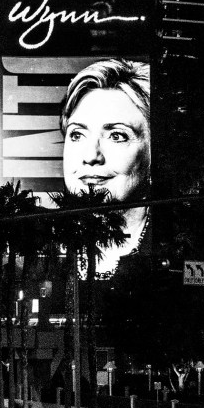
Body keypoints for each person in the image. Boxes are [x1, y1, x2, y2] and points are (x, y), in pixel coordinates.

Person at [59, 58, 150, 272]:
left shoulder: (176, 245)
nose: (91, 156)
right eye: (77, 134)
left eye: (116, 136)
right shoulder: (41, 248)